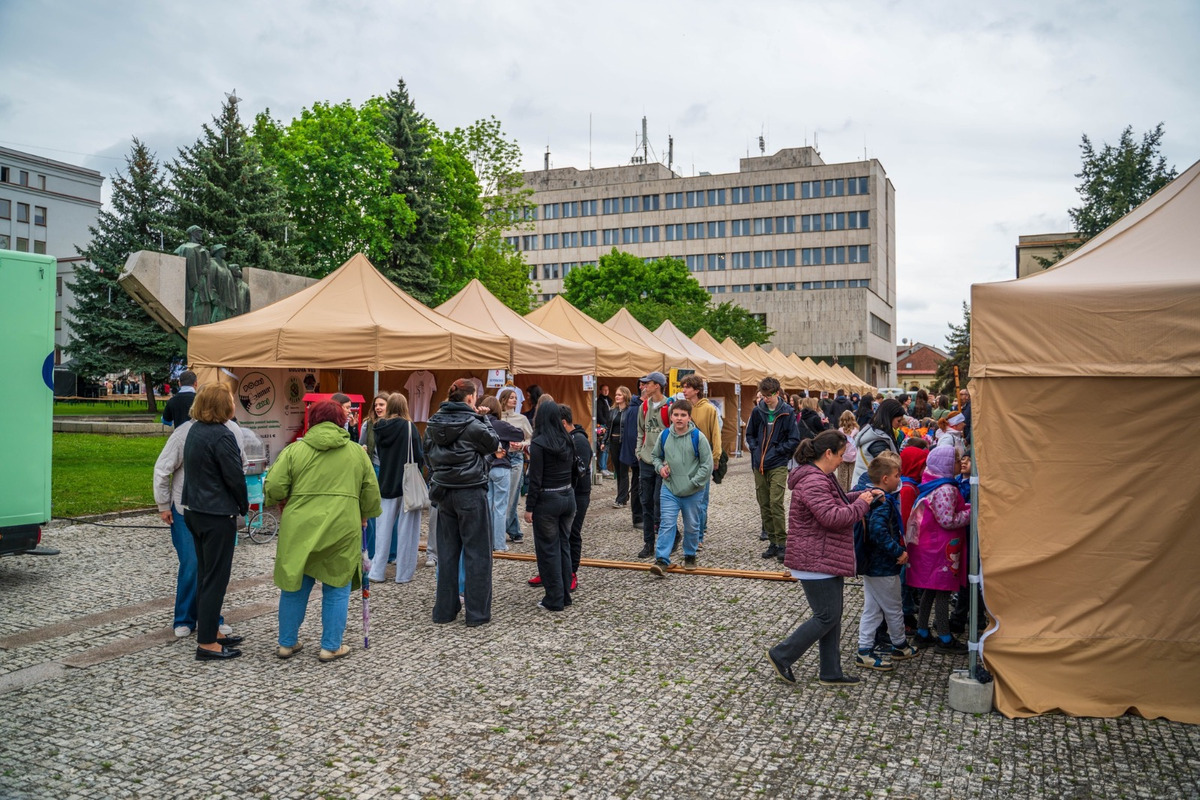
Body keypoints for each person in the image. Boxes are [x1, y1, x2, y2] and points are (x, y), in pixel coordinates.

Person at [265, 400, 381, 662]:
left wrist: (284, 500)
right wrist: (364, 515)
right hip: (342, 526)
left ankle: (286, 643)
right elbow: (372, 494)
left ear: (313, 420)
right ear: (341, 421)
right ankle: (330, 646)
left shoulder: (295, 451)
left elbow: (273, 487)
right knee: (336, 585)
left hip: (299, 527)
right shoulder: (356, 452)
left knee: (295, 586)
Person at [765, 430, 883, 687]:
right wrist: (862, 504)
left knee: (832, 615)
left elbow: (837, 503)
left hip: (824, 557)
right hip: (815, 559)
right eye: (841, 455)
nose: (843, 460)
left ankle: (831, 671)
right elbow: (833, 517)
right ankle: (781, 654)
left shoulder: (820, 476)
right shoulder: (814, 481)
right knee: (826, 616)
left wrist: (864, 497)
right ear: (827, 453)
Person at [153, 410, 243, 640]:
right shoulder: (184, 432)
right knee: (192, 564)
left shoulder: (232, 430)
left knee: (213, 571)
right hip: (188, 509)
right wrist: (163, 504)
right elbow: (162, 469)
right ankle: (184, 617)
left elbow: (238, 464)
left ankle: (210, 620)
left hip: (220, 510)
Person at [180, 384, 249, 661]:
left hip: (196, 510)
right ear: (223, 406)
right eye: (231, 401)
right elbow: (234, 477)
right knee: (215, 580)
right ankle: (207, 643)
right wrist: (244, 506)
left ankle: (210, 631)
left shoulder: (195, 429)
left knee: (206, 575)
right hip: (216, 514)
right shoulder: (222, 435)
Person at [424, 379, 499, 626]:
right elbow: (493, 444)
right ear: (470, 398)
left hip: (444, 491)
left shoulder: (433, 422)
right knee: (478, 553)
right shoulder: (473, 423)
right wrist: (484, 418)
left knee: (447, 553)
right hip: (470, 491)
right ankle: (476, 613)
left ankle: (444, 611)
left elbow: (427, 453)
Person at [854, 452, 920, 672]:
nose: (898, 479)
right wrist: (897, 551)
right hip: (883, 566)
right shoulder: (883, 502)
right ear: (885, 479)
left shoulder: (871, 497)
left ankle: (864, 649)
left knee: (872, 609)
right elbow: (878, 532)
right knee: (893, 608)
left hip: (872, 565)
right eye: (896, 475)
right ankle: (899, 645)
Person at [906, 445, 972, 654]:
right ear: (945, 464)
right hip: (941, 548)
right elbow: (948, 519)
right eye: (956, 459)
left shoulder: (931, 481)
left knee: (930, 589)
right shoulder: (947, 489)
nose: (960, 462)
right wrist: (972, 511)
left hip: (932, 546)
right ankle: (944, 637)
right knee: (942, 591)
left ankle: (922, 631)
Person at [648, 400, 713, 576]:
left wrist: (694, 482)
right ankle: (662, 559)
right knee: (667, 523)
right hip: (669, 489)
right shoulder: (664, 436)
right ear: (670, 417)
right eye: (676, 415)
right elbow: (655, 457)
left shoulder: (698, 437)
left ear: (689, 417)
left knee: (692, 525)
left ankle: (690, 555)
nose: (679, 418)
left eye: (683, 415)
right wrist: (660, 468)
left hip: (692, 491)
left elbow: (707, 465)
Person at [367, 393, 426, 584]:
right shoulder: (409, 427)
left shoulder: (378, 427)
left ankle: (377, 571)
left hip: (386, 481)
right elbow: (418, 455)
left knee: (383, 530)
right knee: (407, 530)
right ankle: (403, 574)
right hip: (407, 483)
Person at [523, 400, 576, 612]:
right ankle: (564, 595)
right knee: (563, 546)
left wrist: (529, 507)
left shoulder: (539, 443)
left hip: (548, 500)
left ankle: (553, 598)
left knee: (548, 550)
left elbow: (535, 479)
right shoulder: (567, 439)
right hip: (567, 496)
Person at [744, 377, 800, 562]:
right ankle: (773, 542)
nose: (765, 399)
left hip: (778, 464)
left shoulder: (787, 412)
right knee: (764, 503)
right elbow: (750, 434)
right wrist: (754, 448)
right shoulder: (757, 411)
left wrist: (778, 451)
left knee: (776, 502)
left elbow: (794, 439)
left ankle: (783, 542)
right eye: (763, 395)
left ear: (777, 393)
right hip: (758, 463)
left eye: (768, 395)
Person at [477, 395, 523, 553]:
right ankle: (499, 544)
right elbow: (519, 434)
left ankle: (487, 542)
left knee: (488, 506)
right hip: (501, 467)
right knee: (500, 507)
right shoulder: (500, 425)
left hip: (483, 468)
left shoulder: (477, 423)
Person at [679, 375, 721, 547]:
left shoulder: (709, 409)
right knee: (686, 498)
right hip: (685, 460)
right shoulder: (683, 408)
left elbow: (716, 434)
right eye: (683, 387)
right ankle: (692, 531)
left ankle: (699, 536)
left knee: (701, 500)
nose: (684, 390)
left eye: (687, 387)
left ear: (696, 390)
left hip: (703, 459)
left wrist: (716, 457)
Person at [634, 372, 672, 559]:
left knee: (660, 502)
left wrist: (669, 460)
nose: (643, 387)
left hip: (663, 463)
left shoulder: (670, 407)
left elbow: (675, 433)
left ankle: (672, 537)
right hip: (646, 461)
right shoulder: (643, 407)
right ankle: (648, 543)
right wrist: (638, 451)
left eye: (646, 383)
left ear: (657, 385)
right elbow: (640, 430)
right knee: (646, 503)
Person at [359, 393, 391, 560]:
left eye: (382, 405)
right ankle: (370, 551)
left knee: (391, 512)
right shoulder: (368, 425)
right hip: (374, 469)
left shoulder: (396, 424)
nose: (378, 408)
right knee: (371, 511)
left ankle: (391, 553)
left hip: (390, 471)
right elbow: (360, 445)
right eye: (376, 405)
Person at [563, 404, 592, 588]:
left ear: (563, 423)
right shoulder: (567, 438)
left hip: (578, 492)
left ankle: (572, 572)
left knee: (573, 532)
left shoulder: (579, 440)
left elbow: (578, 471)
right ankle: (554, 570)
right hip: (566, 492)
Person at [499, 388, 532, 545]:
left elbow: (531, 438)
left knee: (512, 496)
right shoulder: (497, 418)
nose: (514, 400)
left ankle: (501, 528)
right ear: (504, 400)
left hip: (516, 458)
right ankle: (514, 531)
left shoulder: (521, 419)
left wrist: (522, 444)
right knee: (501, 496)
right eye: (511, 397)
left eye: (515, 398)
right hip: (500, 458)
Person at [851, 398, 905, 485]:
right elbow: (889, 469)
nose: (901, 424)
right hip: (870, 488)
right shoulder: (878, 441)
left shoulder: (875, 434)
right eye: (899, 420)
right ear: (889, 418)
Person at [619, 383, 644, 529]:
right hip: (638, 455)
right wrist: (636, 454)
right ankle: (638, 517)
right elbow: (632, 434)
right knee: (637, 485)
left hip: (646, 454)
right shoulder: (635, 408)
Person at [606, 386, 632, 509]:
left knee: (623, 471)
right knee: (618, 471)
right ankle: (623, 495)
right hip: (614, 442)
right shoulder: (612, 411)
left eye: (620, 395)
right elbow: (608, 428)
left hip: (625, 443)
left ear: (626, 396)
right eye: (616, 394)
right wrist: (604, 442)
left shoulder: (630, 411)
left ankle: (621, 499)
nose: (617, 397)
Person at [836, 410, 859, 492]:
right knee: (852, 476)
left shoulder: (840, 431)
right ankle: (851, 492)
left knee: (842, 476)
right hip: (854, 456)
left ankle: (843, 493)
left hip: (843, 456)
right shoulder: (856, 430)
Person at [594, 384, 612, 476]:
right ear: (600, 391)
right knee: (603, 445)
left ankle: (605, 467)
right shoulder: (599, 401)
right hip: (602, 426)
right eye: (604, 390)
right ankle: (602, 467)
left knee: (607, 446)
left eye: (607, 390)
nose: (606, 391)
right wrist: (606, 424)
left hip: (608, 425)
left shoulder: (609, 400)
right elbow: (599, 415)